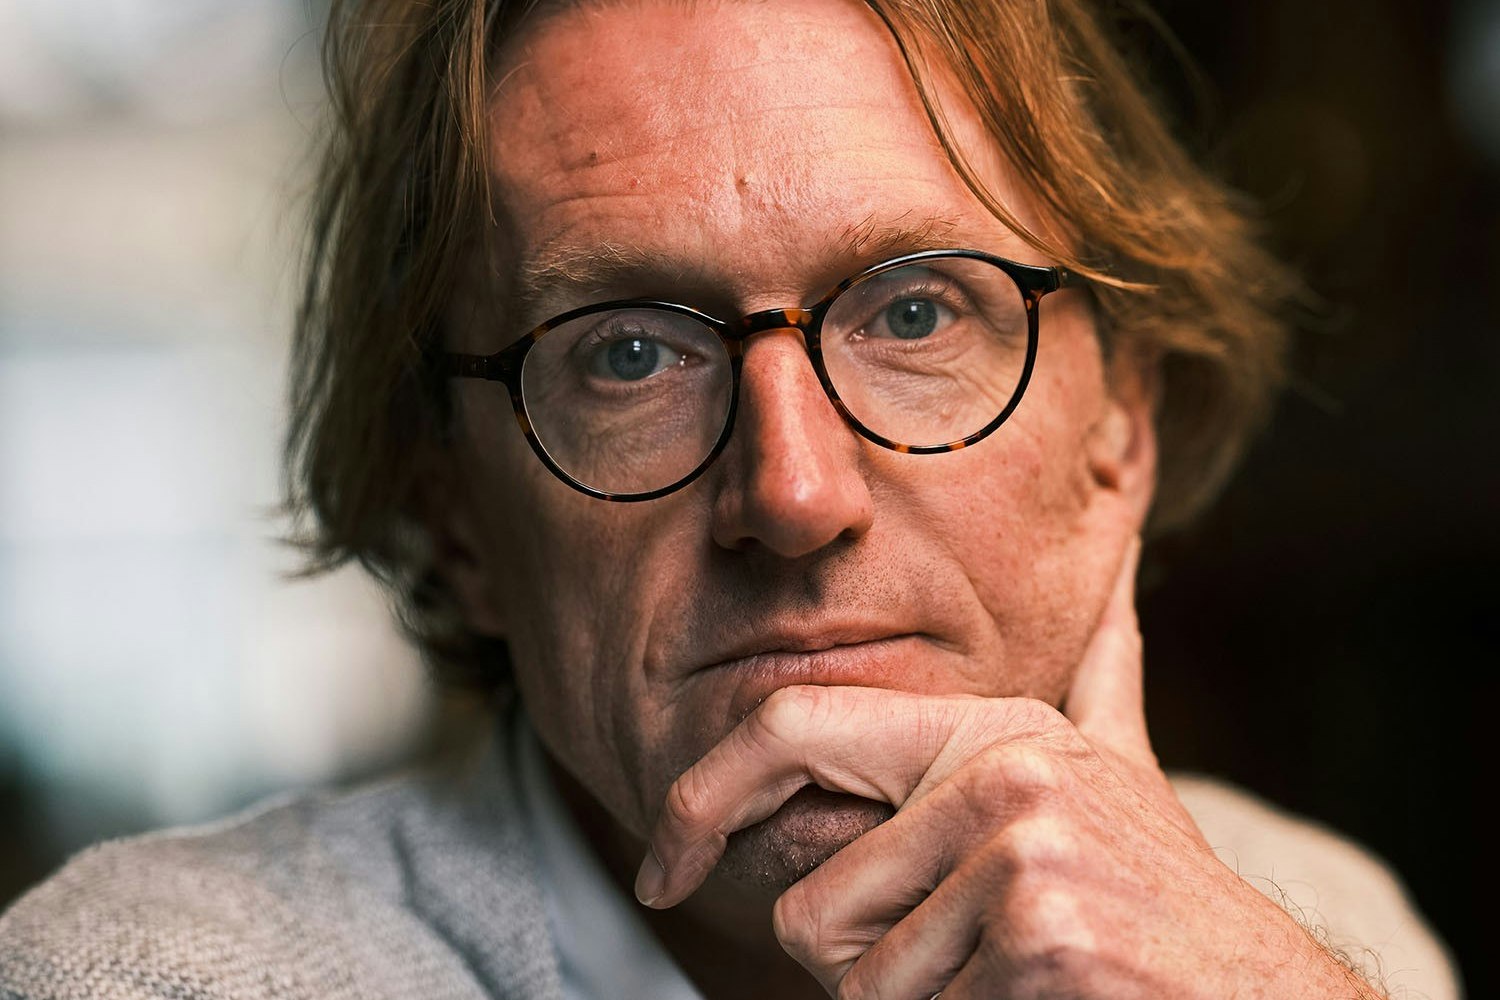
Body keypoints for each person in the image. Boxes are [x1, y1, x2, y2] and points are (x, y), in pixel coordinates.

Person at [0, 0, 1461, 997]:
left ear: (1120, 429)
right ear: (453, 515)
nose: (795, 491)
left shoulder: (1309, 925)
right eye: (629, 354)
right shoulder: (155, 977)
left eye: (915, 315)